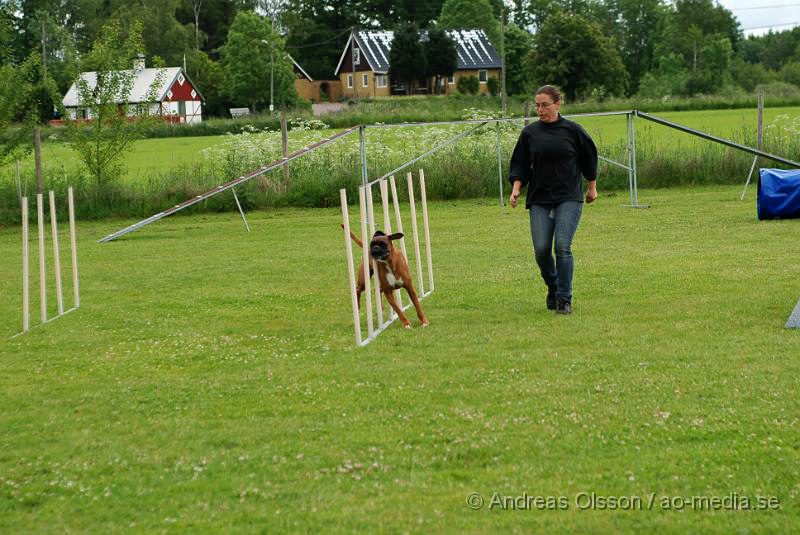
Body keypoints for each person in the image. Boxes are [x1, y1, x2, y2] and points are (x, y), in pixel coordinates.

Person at [509, 85, 598, 315]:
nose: (540, 109)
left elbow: (589, 157)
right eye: (537, 105)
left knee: (562, 246)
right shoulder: (530, 134)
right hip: (540, 198)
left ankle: (564, 299)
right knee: (541, 250)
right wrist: (516, 188)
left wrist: (592, 187)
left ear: (558, 104)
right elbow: (520, 163)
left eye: (544, 105)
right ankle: (553, 286)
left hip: (569, 196)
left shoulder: (573, 130)